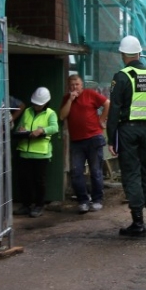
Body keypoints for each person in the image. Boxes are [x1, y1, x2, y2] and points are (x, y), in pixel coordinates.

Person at [107, 35, 146, 237]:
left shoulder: (121, 76)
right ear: (139, 53)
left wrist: (110, 138)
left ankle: (137, 224)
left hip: (128, 131)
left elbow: (114, 110)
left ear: (124, 55)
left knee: (131, 174)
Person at [59, 73, 110, 213]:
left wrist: (101, 120)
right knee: (76, 172)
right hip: (76, 141)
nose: (75, 87)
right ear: (69, 87)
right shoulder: (66, 99)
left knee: (96, 171)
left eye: (77, 84)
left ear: (82, 85)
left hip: (94, 138)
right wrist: (70, 100)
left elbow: (107, 103)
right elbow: (62, 116)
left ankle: (97, 199)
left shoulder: (90, 94)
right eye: (72, 85)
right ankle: (83, 201)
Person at [13, 86, 59, 218]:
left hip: (40, 154)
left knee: (39, 181)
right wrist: (21, 129)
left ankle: (39, 205)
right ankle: (26, 205)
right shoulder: (27, 111)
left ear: (46, 103)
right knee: (24, 180)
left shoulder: (50, 113)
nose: (36, 106)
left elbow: (54, 128)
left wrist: (42, 130)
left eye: (39, 104)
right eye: (34, 103)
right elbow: (20, 126)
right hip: (24, 152)